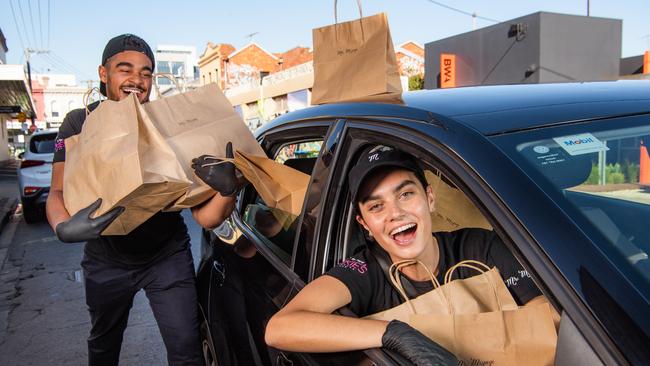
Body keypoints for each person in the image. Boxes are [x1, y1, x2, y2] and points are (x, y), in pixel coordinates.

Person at [265, 146, 556, 365]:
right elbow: (279, 328)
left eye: (405, 195)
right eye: (376, 206)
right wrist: (395, 334)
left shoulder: (482, 248)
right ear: (364, 224)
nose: (395, 214)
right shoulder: (364, 271)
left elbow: (552, 320)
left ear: (430, 198)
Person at [46, 34, 238, 366]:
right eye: (125, 69)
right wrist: (63, 226)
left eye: (146, 72)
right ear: (103, 74)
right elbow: (58, 192)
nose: (137, 79)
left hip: (166, 257)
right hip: (105, 259)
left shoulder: (170, 124)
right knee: (103, 348)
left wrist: (227, 191)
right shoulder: (79, 123)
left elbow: (206, 219)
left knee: (186, 350)